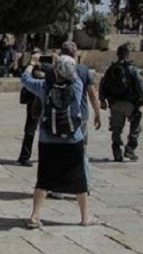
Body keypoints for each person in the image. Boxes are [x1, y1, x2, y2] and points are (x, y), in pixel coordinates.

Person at [21, 55, 99, 227]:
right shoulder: (77, 85)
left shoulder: (44, 87)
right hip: (73, 139)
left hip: (48, 139)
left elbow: (25, 79)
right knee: (79, 177)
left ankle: (35, 216)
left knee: (44, 178)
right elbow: (76, 74)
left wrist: (32, 63)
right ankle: (85, 217)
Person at [60, 41, 101, 189]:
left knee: (61, 151)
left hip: (61, 116)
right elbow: (92, 94)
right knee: (81, 150)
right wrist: (97, 113)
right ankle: (86, 183)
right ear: (75, 54)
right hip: (81, 114)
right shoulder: (83, 70)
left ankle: (60, 186)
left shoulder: (55, 70)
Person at [99, 43, 143, 162]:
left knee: (116, 129)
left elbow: (103, 84)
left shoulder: (111, 69)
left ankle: (117, 151)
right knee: (136, 126)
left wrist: (102, 100)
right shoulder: (132, 69)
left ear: (117, 54)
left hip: (115, 104)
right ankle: (130, 148)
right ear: (128, 54)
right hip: (131, 104)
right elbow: (141, 86)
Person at [16, 49, 44, 167]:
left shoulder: (45, 67)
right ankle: (24, 156)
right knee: (30, 130)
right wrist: (31, 64)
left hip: (43, 101)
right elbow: (22, 75)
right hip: (33, 102)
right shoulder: (29, 68)